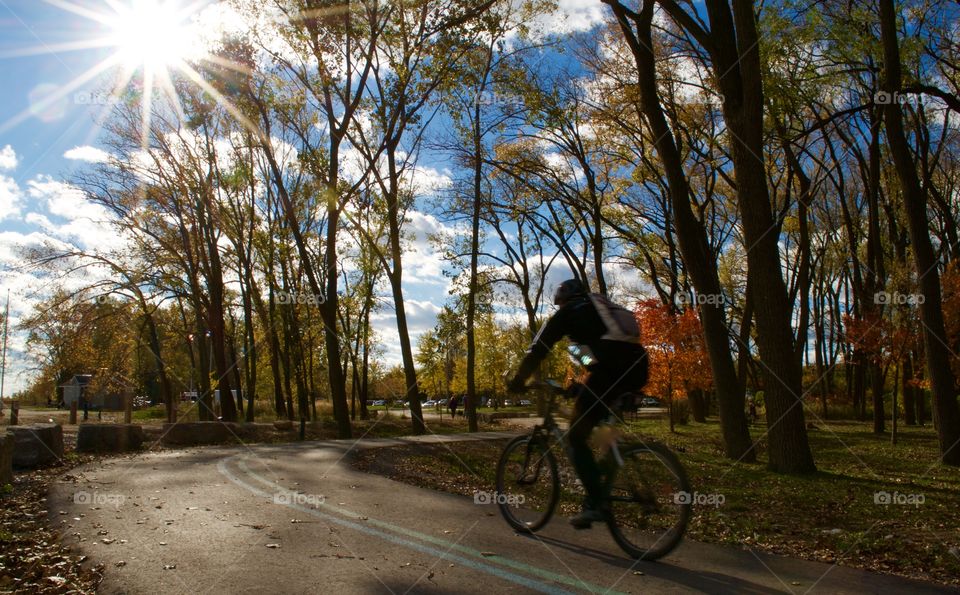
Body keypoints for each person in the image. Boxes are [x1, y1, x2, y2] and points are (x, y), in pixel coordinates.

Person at [507, 278, 648, 529]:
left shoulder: (570, 313)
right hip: (638, 367)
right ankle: (608, 474)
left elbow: (539, 348)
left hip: (611, 373)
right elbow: (595, 358)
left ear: (563, 301)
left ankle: (596, 503)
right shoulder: (601, 310)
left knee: (575, 436)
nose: (559, 308)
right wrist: (581, 387)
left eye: (559, 304)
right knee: (602, 431)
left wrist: (519, 380)